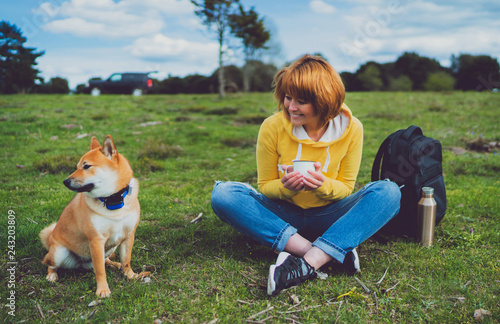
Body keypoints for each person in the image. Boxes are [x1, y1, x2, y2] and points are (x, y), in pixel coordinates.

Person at [211, 54, 401, 296]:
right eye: (288, 97)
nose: (290, 107)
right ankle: (324, 252)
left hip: (329, 214)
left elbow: (345, 187)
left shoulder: (353, 129)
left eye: (301, 101)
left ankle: (305, 264)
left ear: (324, 101)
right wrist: (285, 187)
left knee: (389, 192)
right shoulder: (272, 126)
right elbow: (265, 186)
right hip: (282, 213)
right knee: (223, 193)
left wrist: (322, 186)